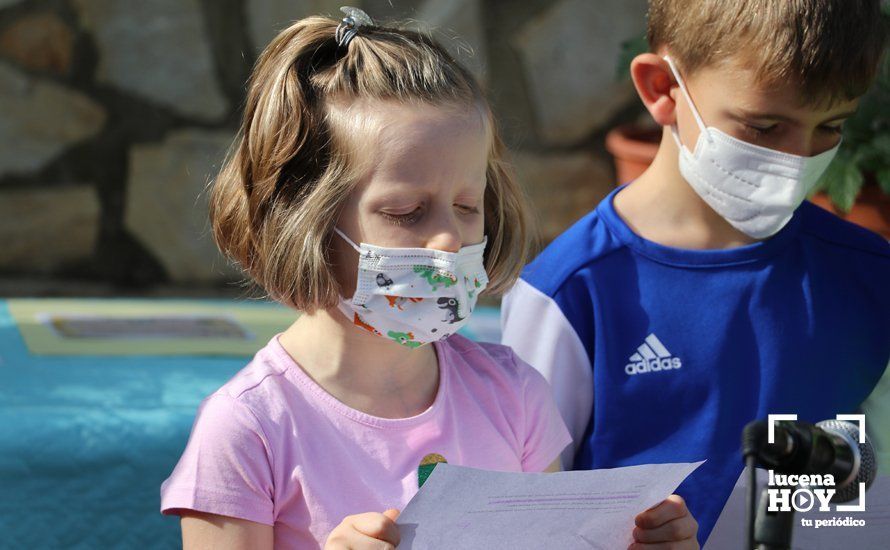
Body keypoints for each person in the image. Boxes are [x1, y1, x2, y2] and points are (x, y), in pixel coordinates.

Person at [160, 10, 699, 550]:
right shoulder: (247, 429)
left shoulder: (513, 396)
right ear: (303, 219)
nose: (449, 239)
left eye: (467, 205)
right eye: (407, 211)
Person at [501, 0, 890, 545]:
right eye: (765, 126)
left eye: (830, 126)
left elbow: (863, 494)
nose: (798, 159)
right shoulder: (569, 293)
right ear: (662, 88)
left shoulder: (870, 278)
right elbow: (524, 517)